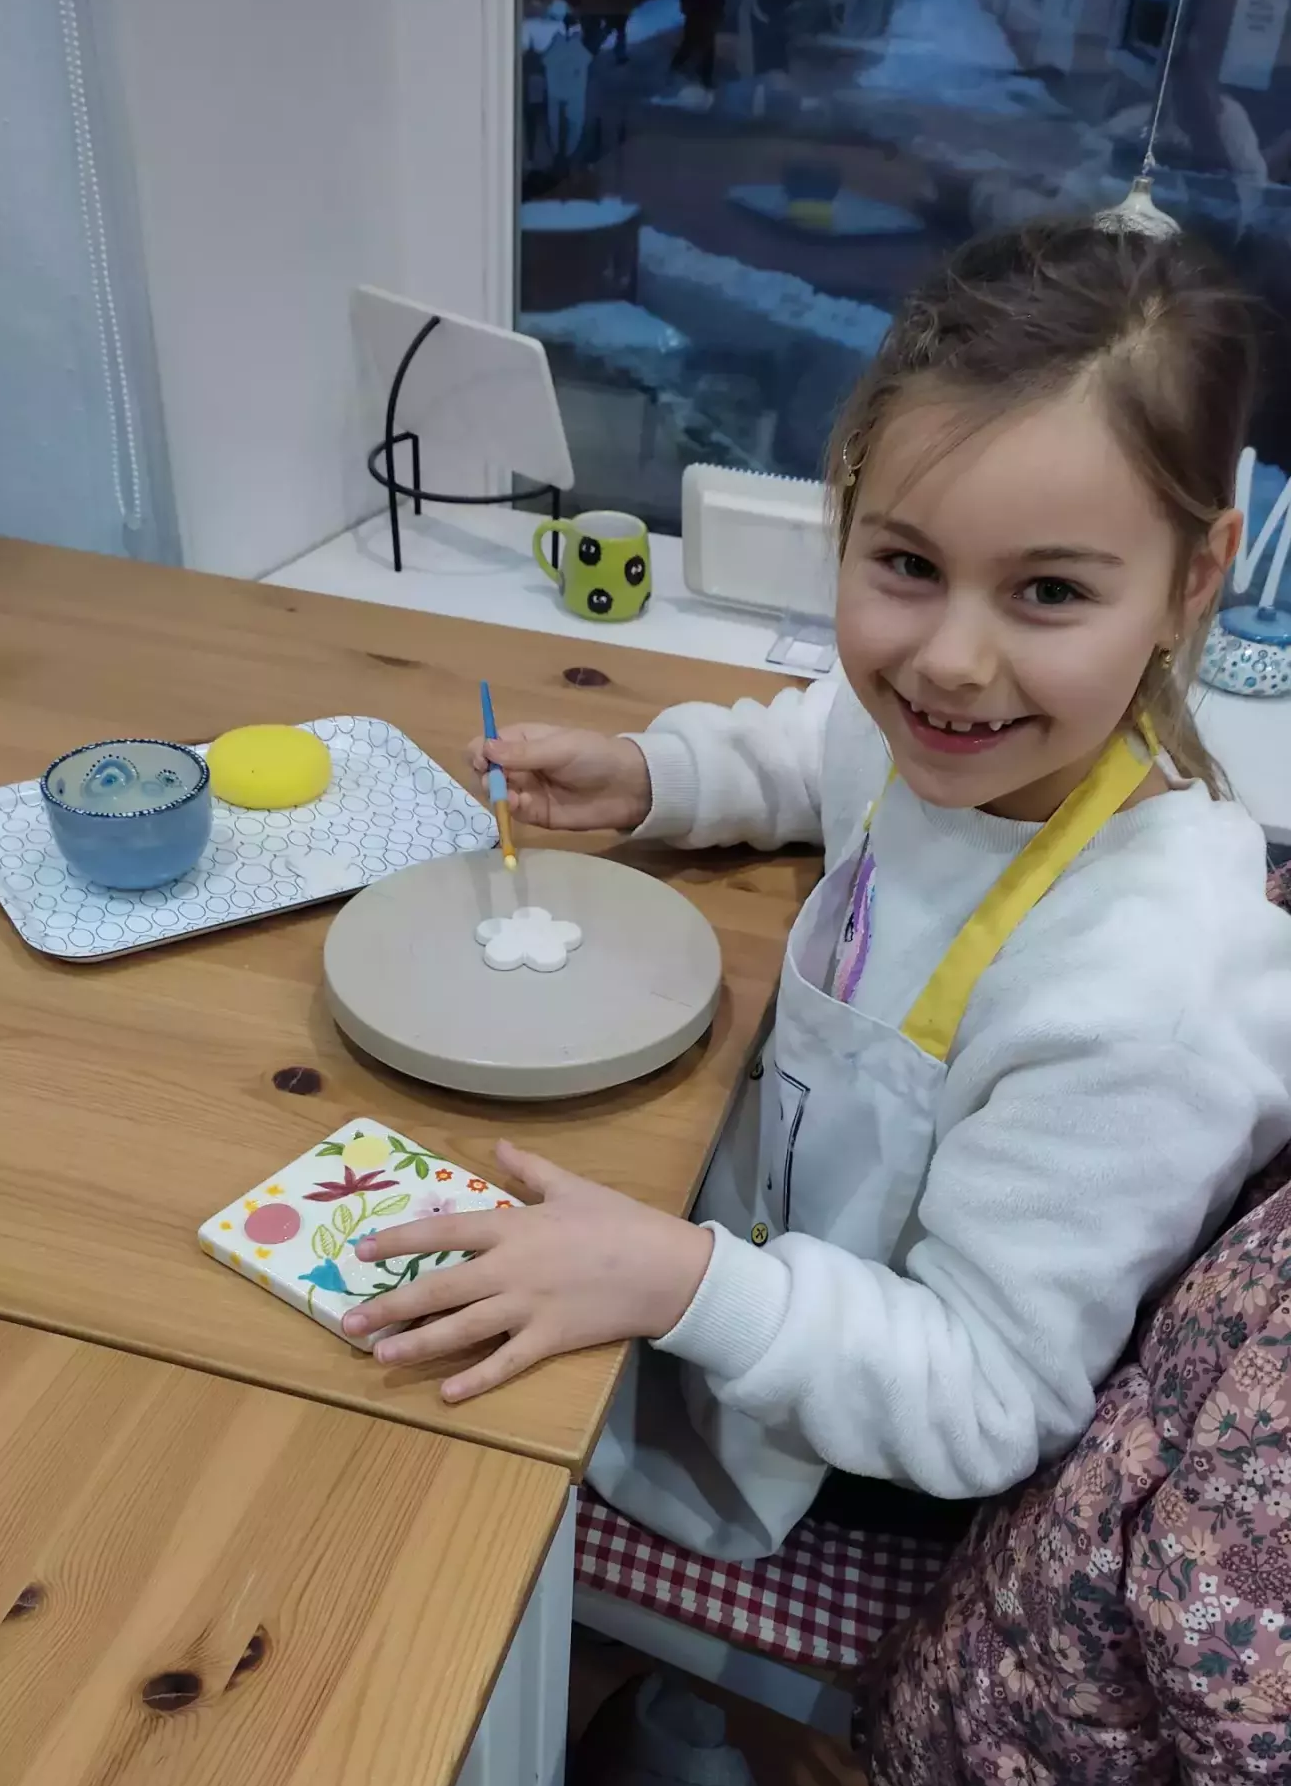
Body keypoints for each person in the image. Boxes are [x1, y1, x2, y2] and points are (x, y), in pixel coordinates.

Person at [343, 219, 1291, 1563]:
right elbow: (814, 746)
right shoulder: (958, 742)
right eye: (907, 565)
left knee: (403, 1502)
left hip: (833, 1452)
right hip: (730, 1255)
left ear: (1193, 581)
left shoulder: (1146, 994)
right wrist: (652, 774)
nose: (950, 662)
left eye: (1048, 591)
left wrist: (679, 1282)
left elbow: (985, 1396)